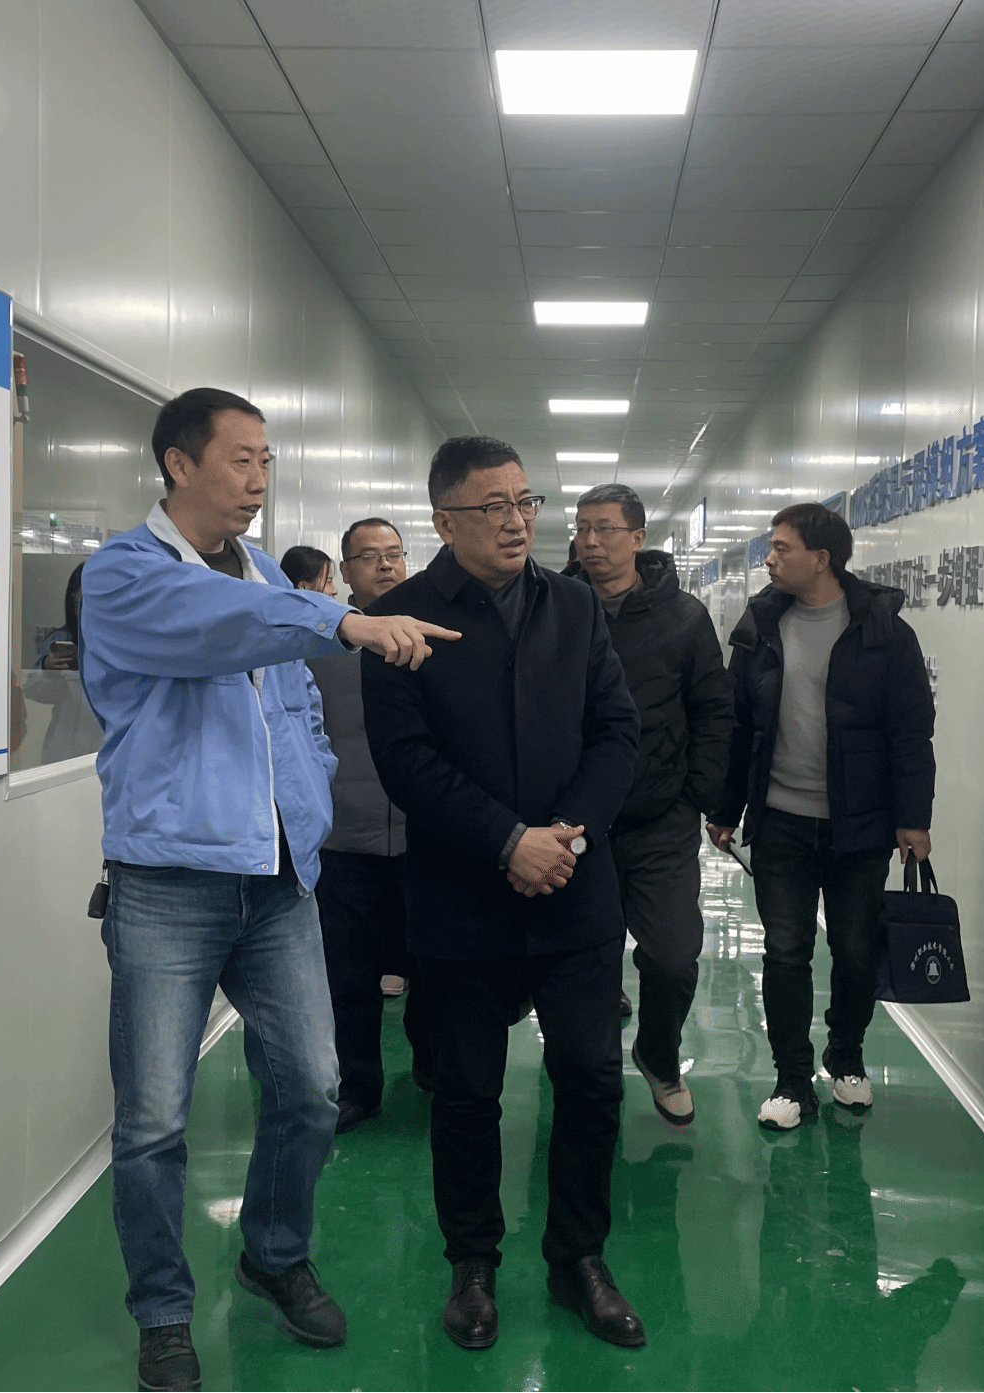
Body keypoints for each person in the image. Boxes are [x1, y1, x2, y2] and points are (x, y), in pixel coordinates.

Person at [81, 386, 458, 1392]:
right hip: (168, 883)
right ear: (178, 463)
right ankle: (164, 1312)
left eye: (265, 461)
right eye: (239, 458)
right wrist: (347, 620)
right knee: (154, 1120)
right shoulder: (126, 573)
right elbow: (224, 627)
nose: (257, 479)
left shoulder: (259, 572)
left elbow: (298, 713)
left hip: (282, 879)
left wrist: (314, 800)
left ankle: (274, 1252)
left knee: (312, 1088)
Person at [361, 436, 645, 1352]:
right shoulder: (398, 617)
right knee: (465, 1093)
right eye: (494, 506)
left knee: (591, 1079)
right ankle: (472, 1263)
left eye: (525, 501)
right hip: (462, 896)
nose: (518, 521)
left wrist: (566, 834)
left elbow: (617, 731)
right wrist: (505, 841)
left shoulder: (574, 605)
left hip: (575, 890)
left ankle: (579, 1257)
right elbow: (406, 760)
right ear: (444, 521)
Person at [705, 502, 935, 1133]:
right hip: (780, 818)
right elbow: (740, 728)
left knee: (855, 950)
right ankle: (790, 1079)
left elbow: (911, 733)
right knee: (785, 951)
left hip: (860, 824)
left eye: (781, 548)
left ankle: (847, 1056)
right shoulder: (760, 628)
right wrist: (725, 808)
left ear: (821, 558)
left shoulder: (884, 633)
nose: (769, 559)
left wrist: (913, 819)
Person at [567, 483, 732, 1127]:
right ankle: (589, 1076)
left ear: (637, 538)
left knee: (672, 955)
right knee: (584, 960)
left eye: (605, 529)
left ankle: (659, 1055)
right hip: (576, 821)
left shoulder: (684, 617)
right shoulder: (556, 608)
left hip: (660, 819)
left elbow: (713, 711)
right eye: (582, 528)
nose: (591, 542)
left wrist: (697, 795)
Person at [306, 517, 431, 1133]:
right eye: (370, 556)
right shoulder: (319, 647)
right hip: (343, 841)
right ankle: (357, 1088)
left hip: (425, 840)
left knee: (433, 966)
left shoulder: (433, 637)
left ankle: (433, 1064)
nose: (385, 564)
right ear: (345, 571)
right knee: (347, 977)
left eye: (395, 554)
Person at [27, 562, 103, 764]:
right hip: (63, 747)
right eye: (78, 603)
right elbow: (33, 691)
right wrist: (47, 668)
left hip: (102, 745)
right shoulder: (61, 638)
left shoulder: (117, 642)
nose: (84, 610)